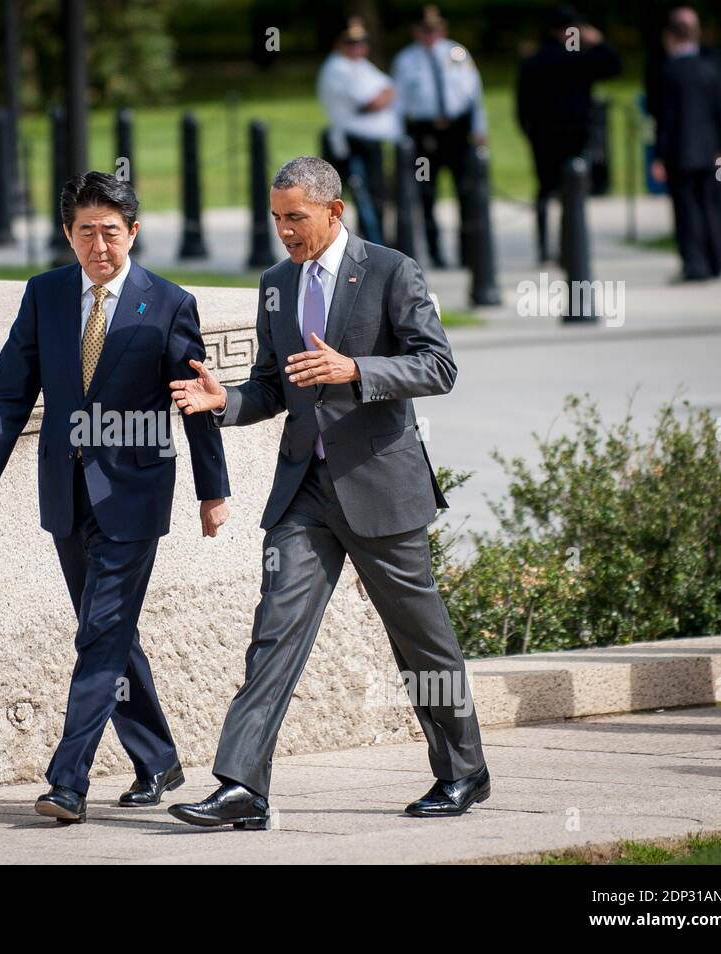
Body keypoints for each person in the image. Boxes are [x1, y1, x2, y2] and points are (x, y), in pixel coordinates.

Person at [167, 156, 488, 829]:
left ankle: (463, 772)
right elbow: (272, 387)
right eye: (277, 217)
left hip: (380, 487)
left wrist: (356, 370)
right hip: (304, 493)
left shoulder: (392, 271)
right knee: (273, 636)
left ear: (334, 211)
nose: (284, 231)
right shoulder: (275, 284)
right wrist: (224, 402)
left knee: (420, 640)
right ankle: (242, 787)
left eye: (296, 218)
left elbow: (439, 365)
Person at [0, 171, 232, 824]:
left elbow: (193, 403)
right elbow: (10, 388)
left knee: (100, 635)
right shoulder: (45, 296)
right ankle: (159, 758)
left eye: (111, 232)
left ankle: (68, 781)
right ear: (68, 235)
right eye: (86, 232)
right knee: (107, 634)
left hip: (136, 495)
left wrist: (211, 489)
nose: (99, 245)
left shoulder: (168, 303)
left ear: (133, 233)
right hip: (66, 490)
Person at [517, 6, 622, 263]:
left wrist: (530, 133)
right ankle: (569, 247)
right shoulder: (579, 58)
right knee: (572, 191)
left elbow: (521, 107)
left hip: (543, 137)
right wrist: (598, 43)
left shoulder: (535, 59)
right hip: (572, 135)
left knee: (546, 190)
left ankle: (545, 248)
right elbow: (615, 65)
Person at [391, 5, 486, 268]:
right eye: (425, 29)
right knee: (427, 193)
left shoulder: (457, 53)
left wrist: (479, 128)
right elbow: (398, 103)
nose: (430, 34)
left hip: (457, 131)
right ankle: (435, 252)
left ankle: (469, 250)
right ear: (416, 32)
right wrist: (400, 137)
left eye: (435, 29)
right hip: (425, 133)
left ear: (442, 29)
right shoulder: (406, 60)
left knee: (466, 191)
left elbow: (474, 94)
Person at [646, 6, 721, 282]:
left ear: (670, 37)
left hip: (679, 151)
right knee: (712, 206)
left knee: (686, 211)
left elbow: (664, 118)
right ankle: (719, 258)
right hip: (711, 149)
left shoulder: (668, 73)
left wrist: (658, 157)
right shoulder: (712, 68)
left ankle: (695, 264)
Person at [317, 16, 401, 245]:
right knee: (362, 199)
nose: (358, 47)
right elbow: (373, 101)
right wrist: (384, 96)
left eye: (361, 42)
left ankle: (375, 244)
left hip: (369, 142)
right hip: (351, 143)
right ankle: (370, 243)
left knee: (375, 197)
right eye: (351, 43)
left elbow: (391, 89)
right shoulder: (337, 68)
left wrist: (386, 94)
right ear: (339, 44)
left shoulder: (361, 66)